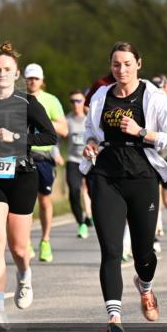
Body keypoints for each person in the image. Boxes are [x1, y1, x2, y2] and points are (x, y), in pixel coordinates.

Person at [80, 42, 167, 332]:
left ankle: (145, 285)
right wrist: (90, 144)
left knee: (143, 254)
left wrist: (141, 132)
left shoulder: (153, 97)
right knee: (111, 250)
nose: (121, 70)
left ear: (139, 63)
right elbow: (90, 130)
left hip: (142, 177)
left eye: (127, 64)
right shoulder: (101, 95)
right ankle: (114, 318)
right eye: (116, 64)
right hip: (105, 177)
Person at [0, 43, 57, 330]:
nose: (1, 74)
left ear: (16, 74)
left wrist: (17, 136)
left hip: (22, 177)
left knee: (18, 247)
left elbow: (49, 136)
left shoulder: (28, 102)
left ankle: (25, 275)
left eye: (7, 70)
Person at [23, 63, 68, 262]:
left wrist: (42, 120)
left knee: (44, 200)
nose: (32, 81)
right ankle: (25, 241)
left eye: (36, 78)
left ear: (42, 81)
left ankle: (45, 240)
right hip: (24, 155)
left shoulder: (51, 101)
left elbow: (64, 129)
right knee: (24, 201)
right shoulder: (19, 99)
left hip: (44, 157)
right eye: (29, 78)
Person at [65, 90, 94, 238]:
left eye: (79, 101)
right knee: (74, 191)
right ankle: (81, 222)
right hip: (73, 160)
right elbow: (55, 139)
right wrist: (56, 154)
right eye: (72, 101)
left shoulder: (90, 119)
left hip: (90, 160)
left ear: (84, 103)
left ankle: (93, 216)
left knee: (93, 192)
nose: (75, 104)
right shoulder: (67, 120)